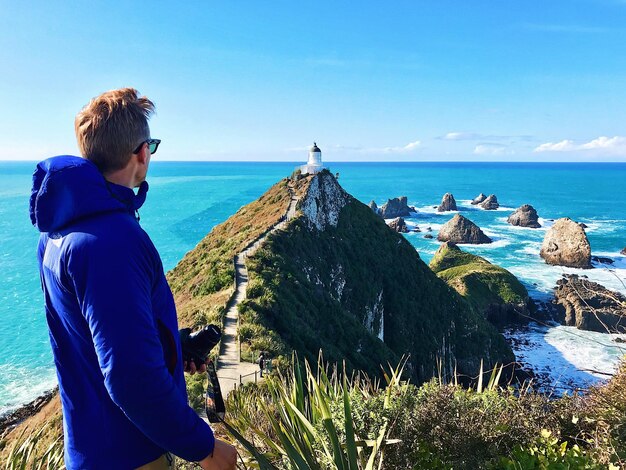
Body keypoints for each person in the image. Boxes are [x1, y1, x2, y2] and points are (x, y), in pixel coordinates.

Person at [30, 88, 237, 470]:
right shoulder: (114, 242)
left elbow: (93, 337)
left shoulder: (57, 233)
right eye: (151, 146)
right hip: (130, 456)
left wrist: (172, 348)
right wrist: (205, 447)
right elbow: (130, 379)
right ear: (142, 153)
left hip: (92, 446)